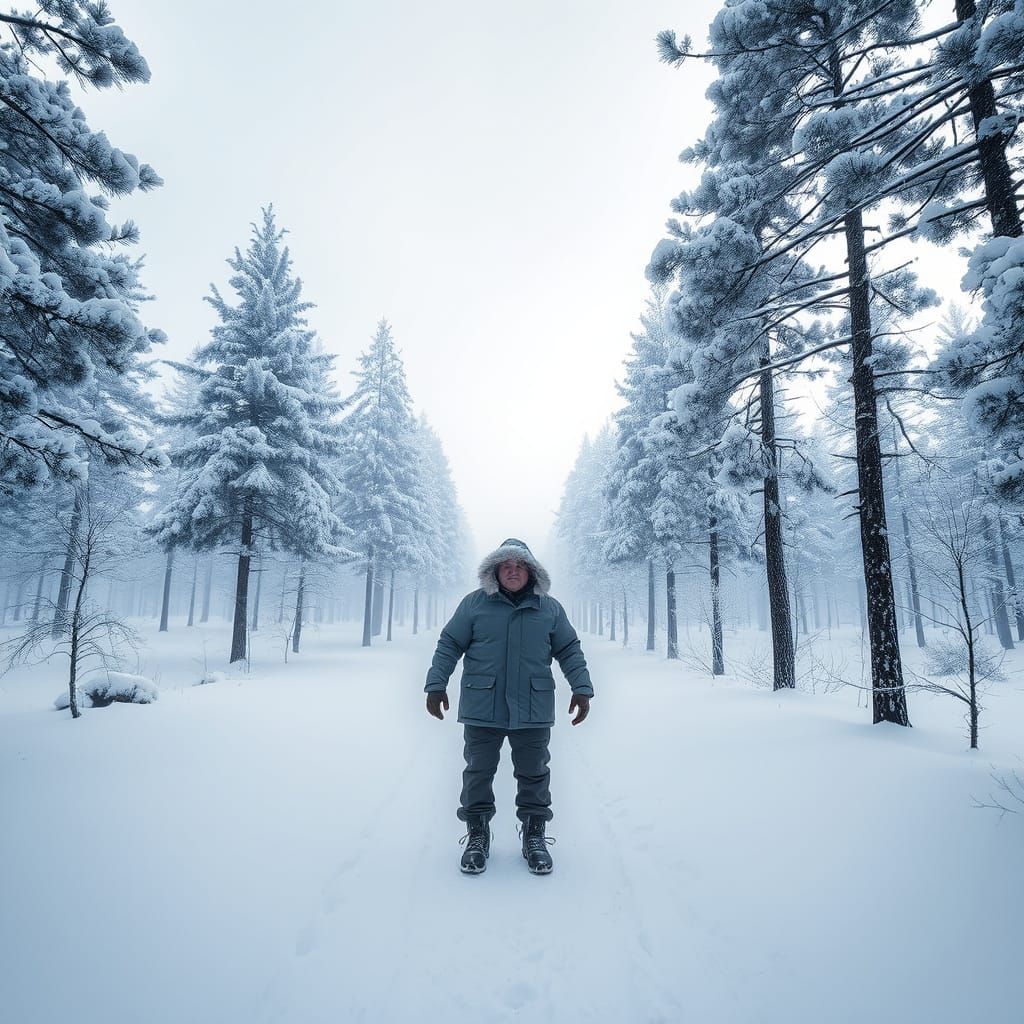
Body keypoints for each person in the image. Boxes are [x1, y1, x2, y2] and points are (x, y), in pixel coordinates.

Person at [424, 538, 593, 875]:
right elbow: (449, 644)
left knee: (534, 775)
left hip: (533, 706)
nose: (513, 570)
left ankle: (534, 836)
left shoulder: (550, 608)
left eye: (519, 565)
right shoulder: (474, 605)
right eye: (506, 565)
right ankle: (477, 835)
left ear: (530, 571)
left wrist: (582, 688)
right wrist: (435, 684)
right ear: (495, 571)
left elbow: (569, 649)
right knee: (478, 774)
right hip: (482, 705)